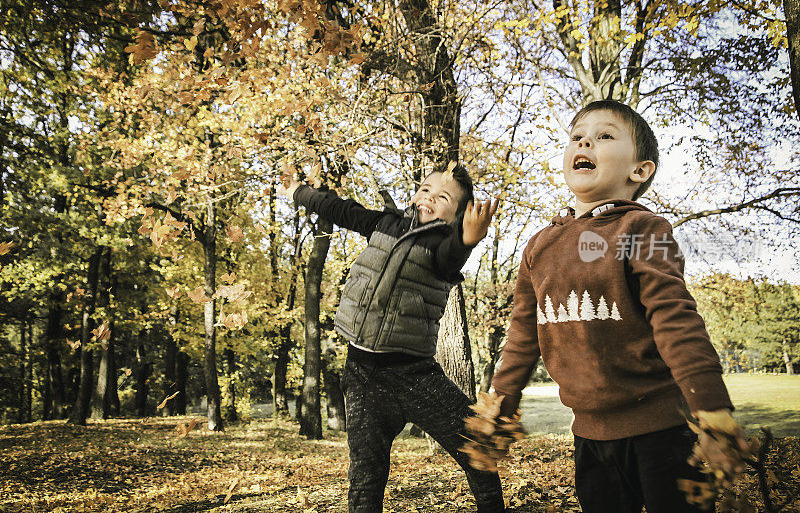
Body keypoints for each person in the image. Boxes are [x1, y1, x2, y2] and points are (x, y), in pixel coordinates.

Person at [490, 100, 747, 513]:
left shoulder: (643, 230)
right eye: (577, 136)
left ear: (639, 170)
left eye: (605, 135)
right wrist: (500, 401)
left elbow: (675, 319)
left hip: (663, 432)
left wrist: (711, 407)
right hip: (589, 438)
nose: (586, 140)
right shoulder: (539, 246)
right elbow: (523, 332)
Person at [279, 161, 505, 513]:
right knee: (365, 479)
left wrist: (467, 240)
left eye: (443, 197)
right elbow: (338, 209)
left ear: (456, 216)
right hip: (363, 376)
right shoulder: (384, 224)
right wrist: (298, 192)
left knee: (478, 446)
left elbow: (451, 257)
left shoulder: (443, 245)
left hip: (416, 376)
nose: (430, 197)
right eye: (426, 189)